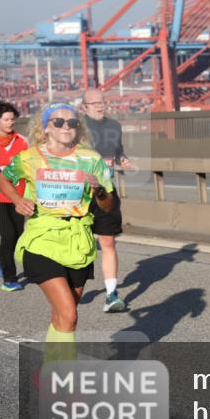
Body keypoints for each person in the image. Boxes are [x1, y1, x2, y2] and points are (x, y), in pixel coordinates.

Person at [0, 103, 114, 362]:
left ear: (78, 128)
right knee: (69, 313)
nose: (65, 127)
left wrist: (98, 189)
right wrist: (17, 200)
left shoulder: (91, 159)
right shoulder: (30, 157)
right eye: (58, 122)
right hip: (42, 239)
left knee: (65, 315)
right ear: (46, 127)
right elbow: (3, 178)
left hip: (78, 242)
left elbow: (109, 205)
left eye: (72, 123)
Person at [80, 89, 136, 313]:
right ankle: (74, 284)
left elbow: (118, 152)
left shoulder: (114, 126)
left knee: (108, 242)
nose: (99, 106)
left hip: (107, 192)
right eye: (93, 103)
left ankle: (111, 295)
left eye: (101, 102)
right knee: (80, 244)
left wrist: (124, 160)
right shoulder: (76, 128)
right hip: (80, 194)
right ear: (84, 107)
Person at [1, 101, 29, 291]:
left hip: (19, 197)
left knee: (19, 236)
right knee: (8, 235)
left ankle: (1, 259)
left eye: (13, 119)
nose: (11, 122)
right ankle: (9, 279)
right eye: (6, 119)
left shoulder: (22, 142)